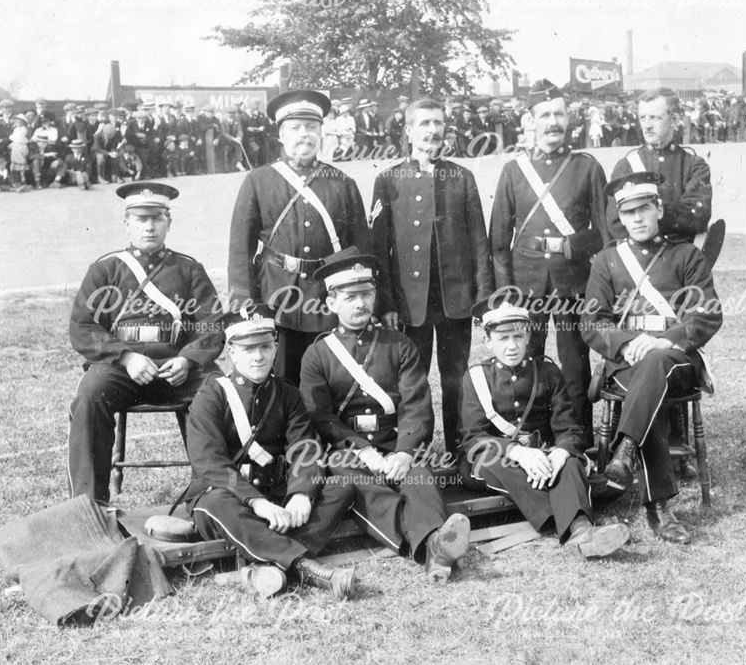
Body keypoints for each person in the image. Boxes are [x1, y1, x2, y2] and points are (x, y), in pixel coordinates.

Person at [300, 249, 471, 582]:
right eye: (350, 297)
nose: (360, 304)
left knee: (420, 475)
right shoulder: (317, 354)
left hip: (395, 442)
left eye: (366, 294)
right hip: (348, 450)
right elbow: (320, 418)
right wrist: (362, 450)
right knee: (360, 483)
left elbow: (417, 406)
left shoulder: (399, 344)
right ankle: (432, 547)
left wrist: (405, 452)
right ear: (332, 302)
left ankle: (435, 544)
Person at [582, 172, 723, 544]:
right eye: (629, 213)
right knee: (648, 378)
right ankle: (659, 507)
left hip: (677, 359)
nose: (638, 219)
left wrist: (663, 341)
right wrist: (628, 344)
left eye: (644, 209)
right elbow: (591, 321)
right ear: (620, 217)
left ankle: (625, 449)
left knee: (656, 365)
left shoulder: (686, 255)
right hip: (628, 361)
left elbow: (706, 315)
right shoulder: (607, 261)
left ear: (659, 208)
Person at [181, 307, 357, 599]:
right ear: (232, 354)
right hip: (228, 493)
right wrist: (257, 502)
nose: (258, 356)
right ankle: (307, 568)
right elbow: (208, 463)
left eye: (264, 347)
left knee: (341, 486)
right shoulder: (211, 395)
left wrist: (301, 493)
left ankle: (261, 568)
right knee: (217, 504)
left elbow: (306, 447)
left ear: (276, 348)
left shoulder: (286, 392)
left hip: (277, 493)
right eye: (248, 349)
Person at [67, 182, 224, 504]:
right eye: (140, 220)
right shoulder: (106, 269)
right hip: (122, 369)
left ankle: (215, 495)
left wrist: (188, 360)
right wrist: (124, 357)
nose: (149, 227)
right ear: (127, 223)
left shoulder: (188, 268)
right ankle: (88, 504)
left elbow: (212, 324)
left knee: (223, 391)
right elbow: (83, 325)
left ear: (169, 222)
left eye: (157, 219)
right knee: (89, 396)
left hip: (178, 369)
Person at [459, 297, 630, 558]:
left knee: (570, 461)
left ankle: (582, 531)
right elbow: (473, 438)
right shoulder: (476, 378)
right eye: (502, 339)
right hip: (497, 459)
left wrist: (561, 452)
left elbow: (570, 429)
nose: (512, 346)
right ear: (487, 342)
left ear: (528, 336)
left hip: (543, 457)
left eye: (518, 336)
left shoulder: (548, 372)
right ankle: (567, 512)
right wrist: (518, 453)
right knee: (498, 464)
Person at [371, 98, 493, 457]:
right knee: (412, 380)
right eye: (424, 123)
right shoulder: (388, 179)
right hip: (411, 305)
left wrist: (483, 299)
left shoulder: (462, 177)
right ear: (408, 131)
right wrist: (387, 303)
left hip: (456, 300)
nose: (432, 130)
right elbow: (380, 252)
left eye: (438, 123)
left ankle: (459, 450)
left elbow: (479, 243)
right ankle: (416, 450)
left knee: (456, 379)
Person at [489, 78, 609, 442]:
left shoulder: (586, 167)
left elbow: (605, 233)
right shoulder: (513, 170)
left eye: (559, 114)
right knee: (525, 359)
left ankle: (579, 437)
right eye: (545, 115)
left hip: (573, 281)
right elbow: (498, 240)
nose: (553, 122)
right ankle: (531, 433)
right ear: (530, 120)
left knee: (574, 364)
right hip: (526, 283)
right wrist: (506, 294)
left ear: (568, 119)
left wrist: (573, 245)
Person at [227, 90, 372, 383]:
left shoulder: (343, 183)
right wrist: (245, 299)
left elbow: (360, 248)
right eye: (295, 128)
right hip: (276, 295)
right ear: (281, 134)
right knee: (281, 380)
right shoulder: (258, 180)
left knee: (332, 379)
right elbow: (240, 248)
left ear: (321, 132)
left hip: (329, 297)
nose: (304, 134)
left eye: (311, 127)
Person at [607, 88, 712, 244]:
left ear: (675, 120)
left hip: (680, 259)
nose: (647, 125)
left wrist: (644, 214)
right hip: (639, 261)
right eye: (642, 118)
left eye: (655, 118)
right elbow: (615, 222)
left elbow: (698, 216)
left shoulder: (694, 166)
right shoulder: (625, 166)